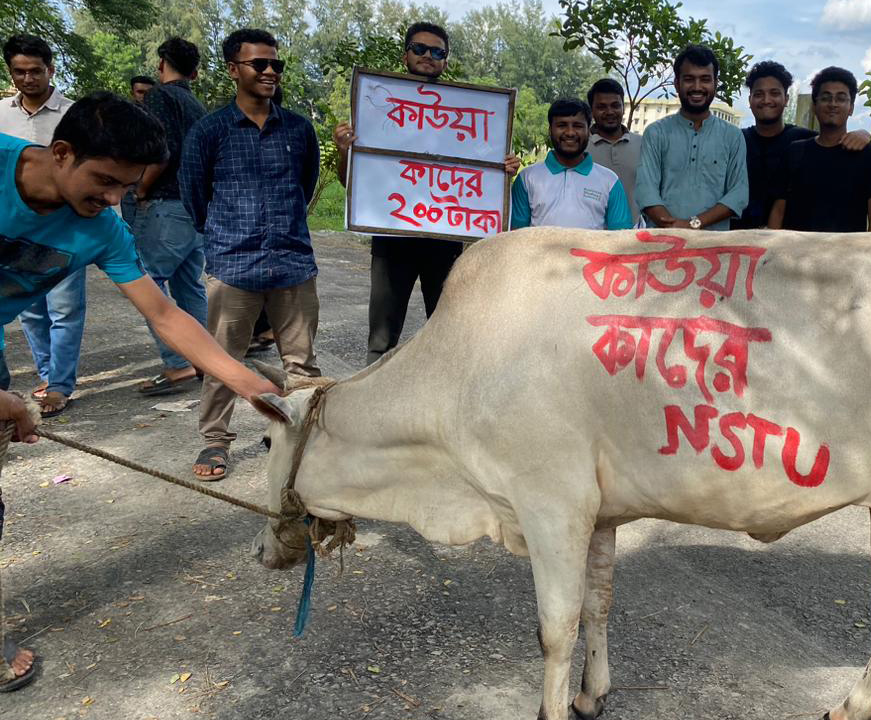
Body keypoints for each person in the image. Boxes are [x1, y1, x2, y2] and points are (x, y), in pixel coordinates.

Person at [0, 90, 280, 691]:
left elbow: (166, 315)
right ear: (61, 152)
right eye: (103, 181)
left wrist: (246, 382)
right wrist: (9, 402)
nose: (112, 201)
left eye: (127, 188)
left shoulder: (103, 227)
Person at [332, 21, 522, 366]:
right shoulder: (377, 103)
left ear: (445, 61)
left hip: (445, 238)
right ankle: (373, 408)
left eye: (438, 52)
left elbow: (481, 178)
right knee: (382, 336)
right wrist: (346, 150)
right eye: (420, 49)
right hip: (393, 238)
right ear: (405, 54)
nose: (428, 57)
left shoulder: (473, 107)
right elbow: (352, 185)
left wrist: (502, 169)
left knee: (448, 328)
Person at [181, 28, 322, 480]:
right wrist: (228, 235)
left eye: (276, 64)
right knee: (223, 359)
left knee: (300, 365)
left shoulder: (298, 129)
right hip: (233, 265)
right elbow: (193, 195)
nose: (269, 72)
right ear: (233, 69)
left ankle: (295, 436)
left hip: (292, 262)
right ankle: (214, 441)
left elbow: (305, 185)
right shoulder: (209, 130)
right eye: (259, 64)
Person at [0, 34, 84, 417]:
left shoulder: (75, 115)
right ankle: (48, 372)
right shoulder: (2, 114)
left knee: (64, 308)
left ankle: (60, 386)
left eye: (36, 70)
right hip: (14, 233)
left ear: (51, 70)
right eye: (20, 71)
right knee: (30, 309)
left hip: (63, 229)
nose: (28, 78)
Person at [130, 37, 208, 396]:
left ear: (162, 64)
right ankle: (206, 360)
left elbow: (162, 152)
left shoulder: (161, 97)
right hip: (194, 208)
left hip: (164, 205)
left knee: (145, 283)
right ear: (194, 71)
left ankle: (178, 364)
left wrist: (141, 189)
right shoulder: (196, 105)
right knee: (189, 286)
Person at [734, 60, 871, 230]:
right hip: (737, 235)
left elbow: (834, 142)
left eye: (774, 93)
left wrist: (865, 134)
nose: (766, 100)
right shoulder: (736, 141)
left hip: (789, 241)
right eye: (759, 94)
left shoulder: (803, 141)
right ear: (750, 99)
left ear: (786, 99)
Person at [634, 44, 748, 231]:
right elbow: (646, 190)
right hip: (662, 244)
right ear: (677, 84)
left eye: (705, 79)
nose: (697, 87)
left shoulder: (732, 136)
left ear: (715, 84)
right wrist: (673, 228)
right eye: (689, 79)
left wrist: (692, 225)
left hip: (714, 249)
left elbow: (738, 194)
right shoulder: (656, 133)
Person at [767, 66, 871, 233]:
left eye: (841, 99)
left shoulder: (870, 156)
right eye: (826, 98)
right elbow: (778, 211)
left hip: (846, 255)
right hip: (794, 255)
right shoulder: (794, 152)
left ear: (851, 107)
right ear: (814, 105)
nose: (833, 104)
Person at [511, 99, 631, 231]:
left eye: (578, 126)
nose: (570, 133)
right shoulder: (527, 178)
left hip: (591, 252)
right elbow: (516, 234)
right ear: (550, 130)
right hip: (537, 252)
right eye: (562, 125)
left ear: (588, 131)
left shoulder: (610, 181)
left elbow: (620, 236)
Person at [586, 78, 641, 226]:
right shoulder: (580, 148)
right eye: (602, 107)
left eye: (615, 105)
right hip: (588, 237)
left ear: (623, 107)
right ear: (591, 110)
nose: (610, 112)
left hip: (633, 236)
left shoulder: (643, 145)